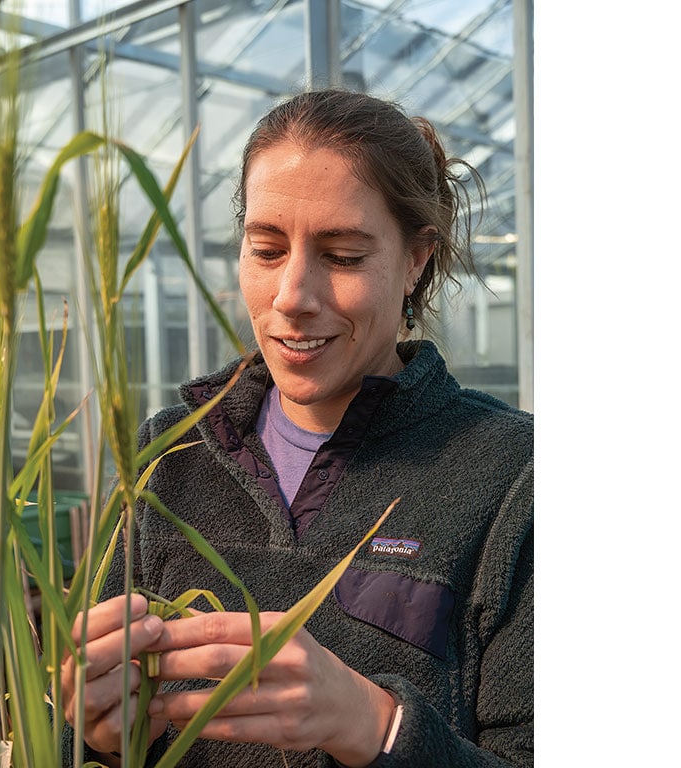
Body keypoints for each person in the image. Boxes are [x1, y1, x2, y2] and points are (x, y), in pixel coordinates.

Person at [61, 88, 533, 768]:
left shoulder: (512, 473)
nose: (292, 297)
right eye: (267, 248)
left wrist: (372, 724)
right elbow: (107, 733)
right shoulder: (174, 453)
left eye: (342, 255)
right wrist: (100, 733)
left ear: (415, 260)